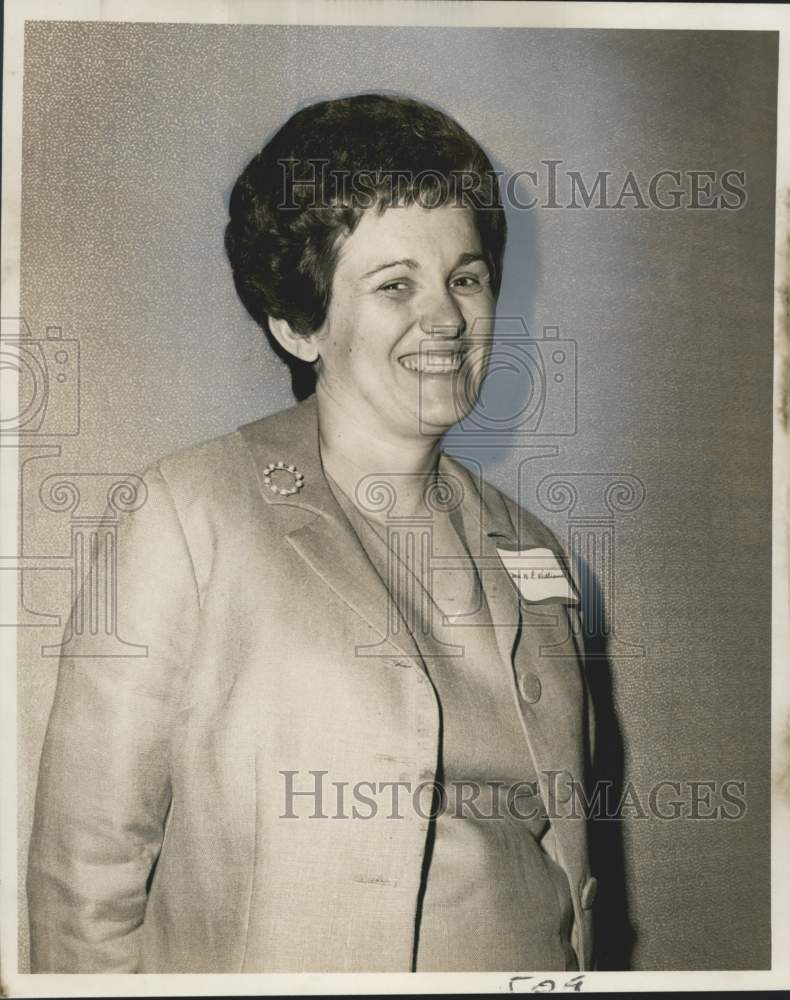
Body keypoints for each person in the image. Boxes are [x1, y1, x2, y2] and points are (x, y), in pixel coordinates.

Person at [27, 93, 597, 974]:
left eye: (467, 276)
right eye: (394, 284)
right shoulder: (187, 514)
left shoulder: (535, 551)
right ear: (298, 324)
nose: (445, 317)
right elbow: (85, 882)